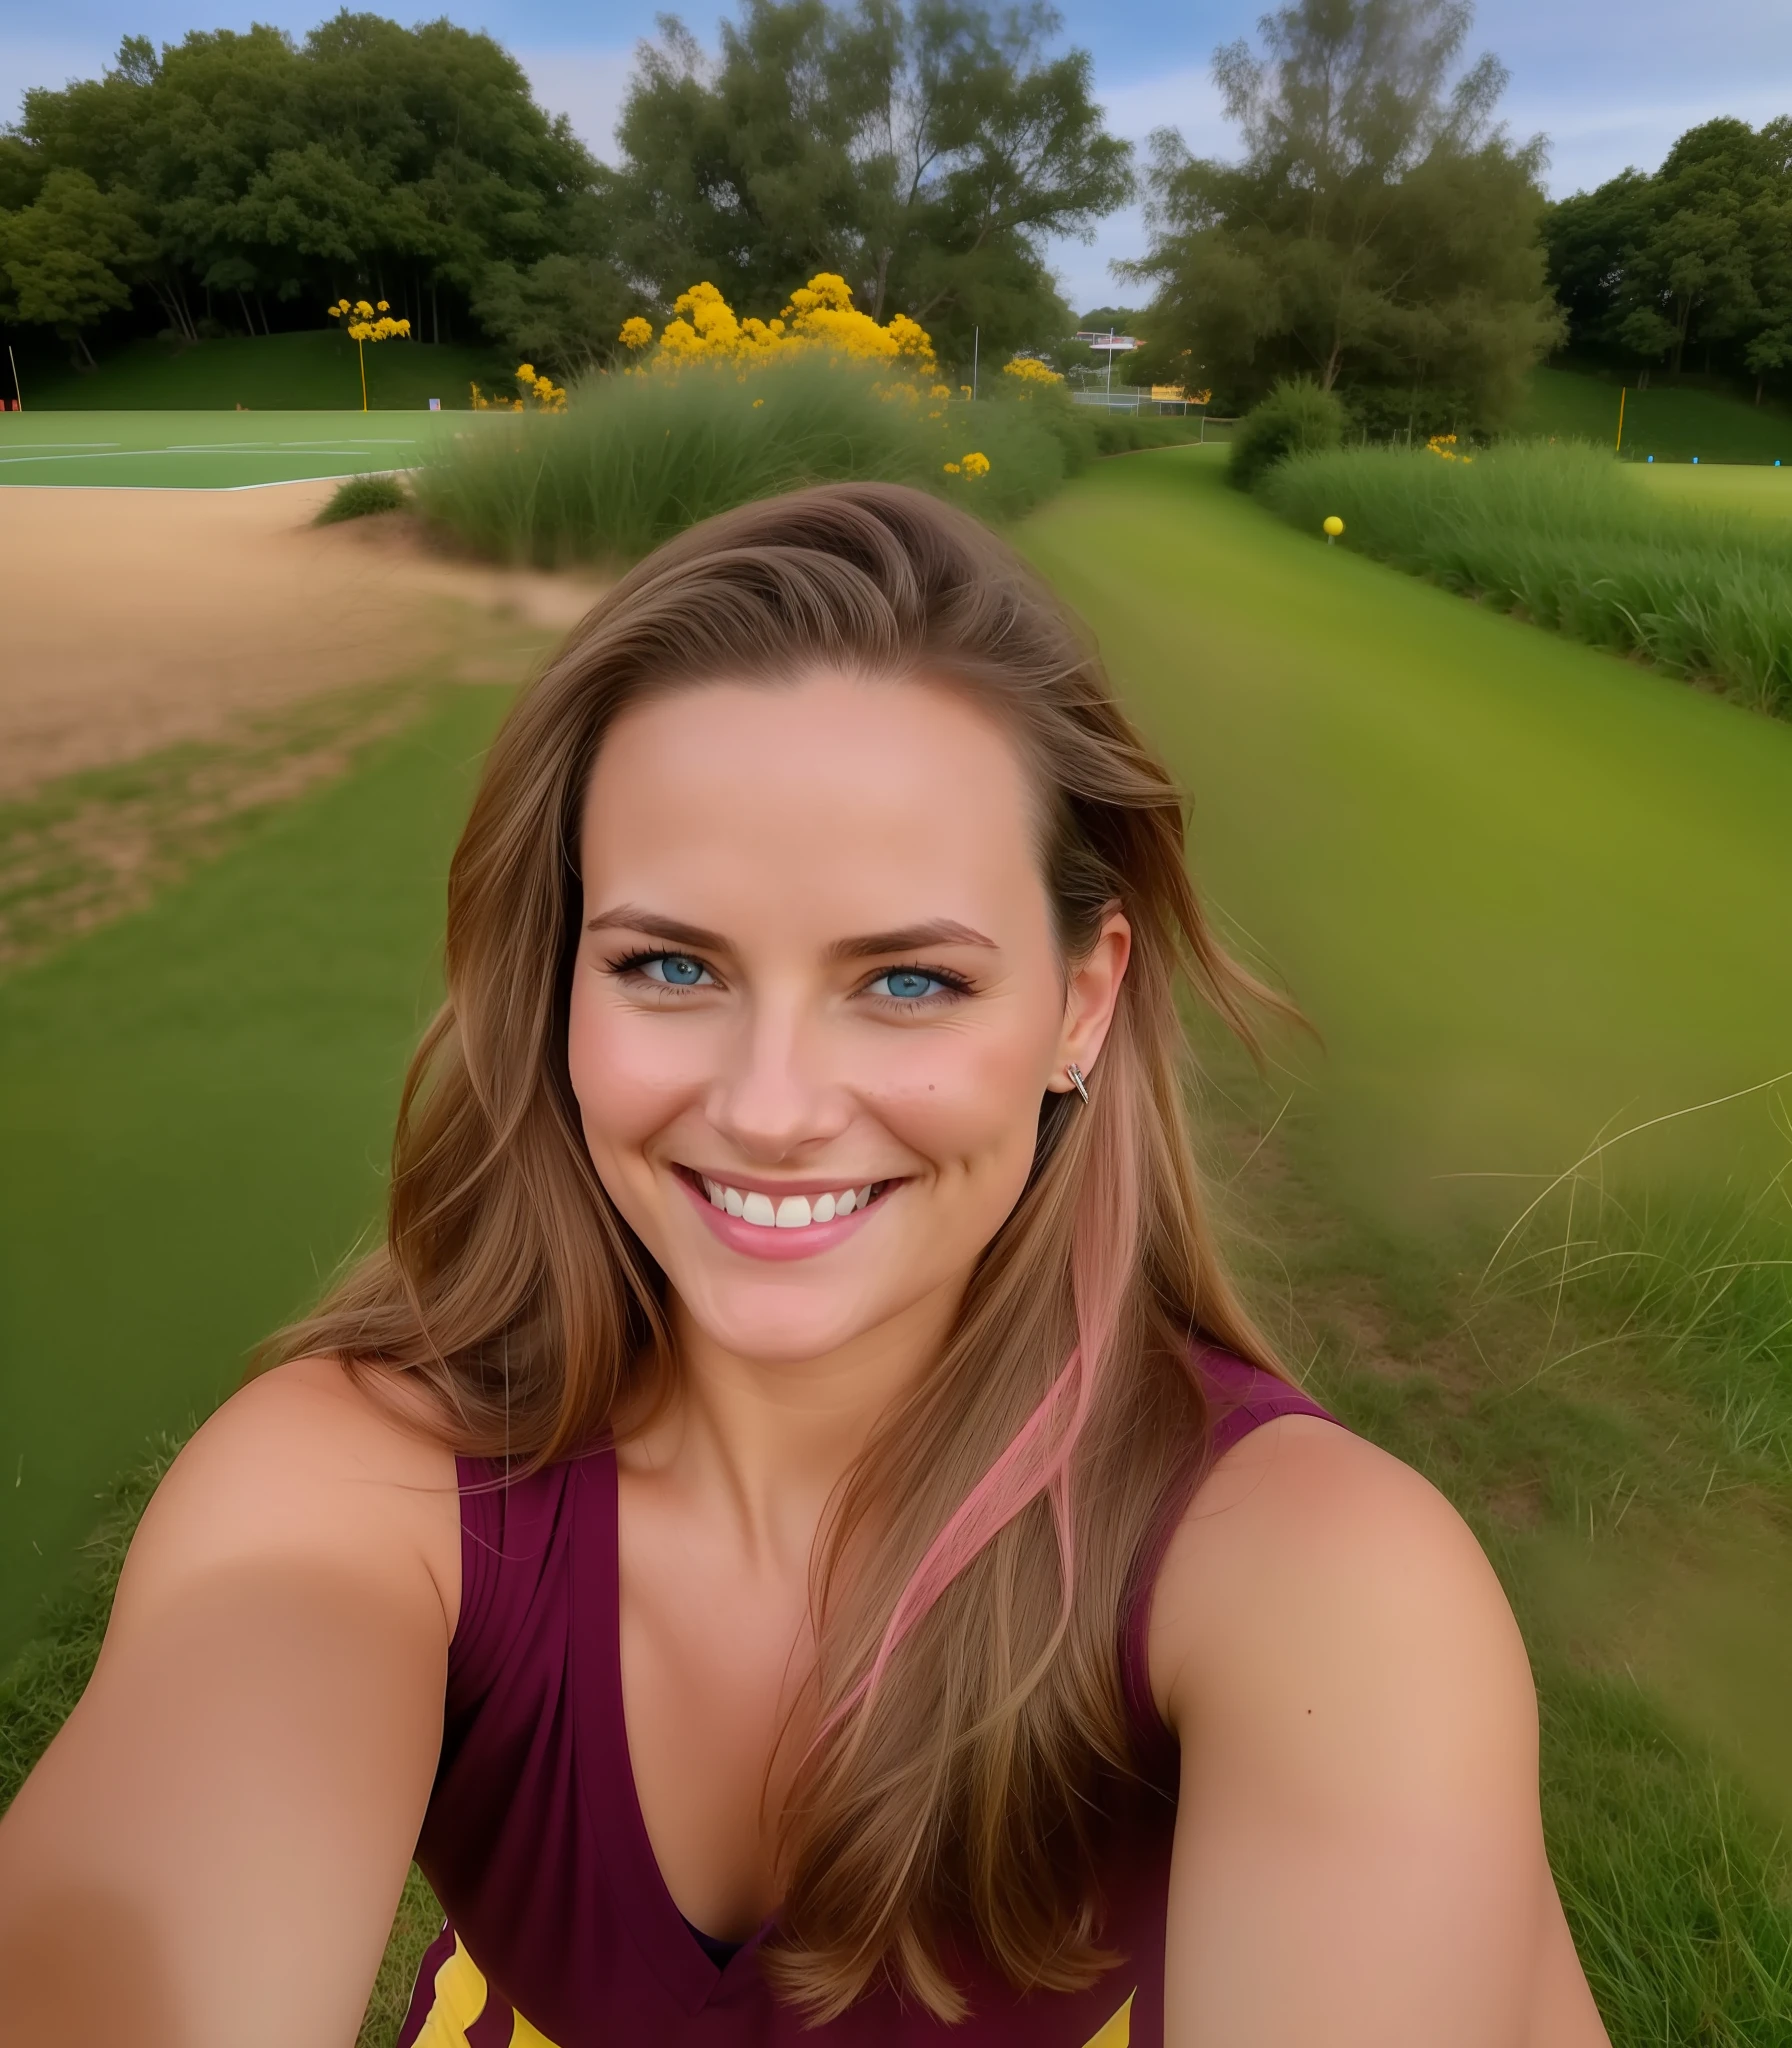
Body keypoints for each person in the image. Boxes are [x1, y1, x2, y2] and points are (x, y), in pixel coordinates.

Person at [0, 483, 1610, 2048]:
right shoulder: (354, 1492)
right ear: (560, 978)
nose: (768, 1110)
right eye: (671, 964)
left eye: (905, 982)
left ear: (1080, 1002)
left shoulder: (1316, 1582)